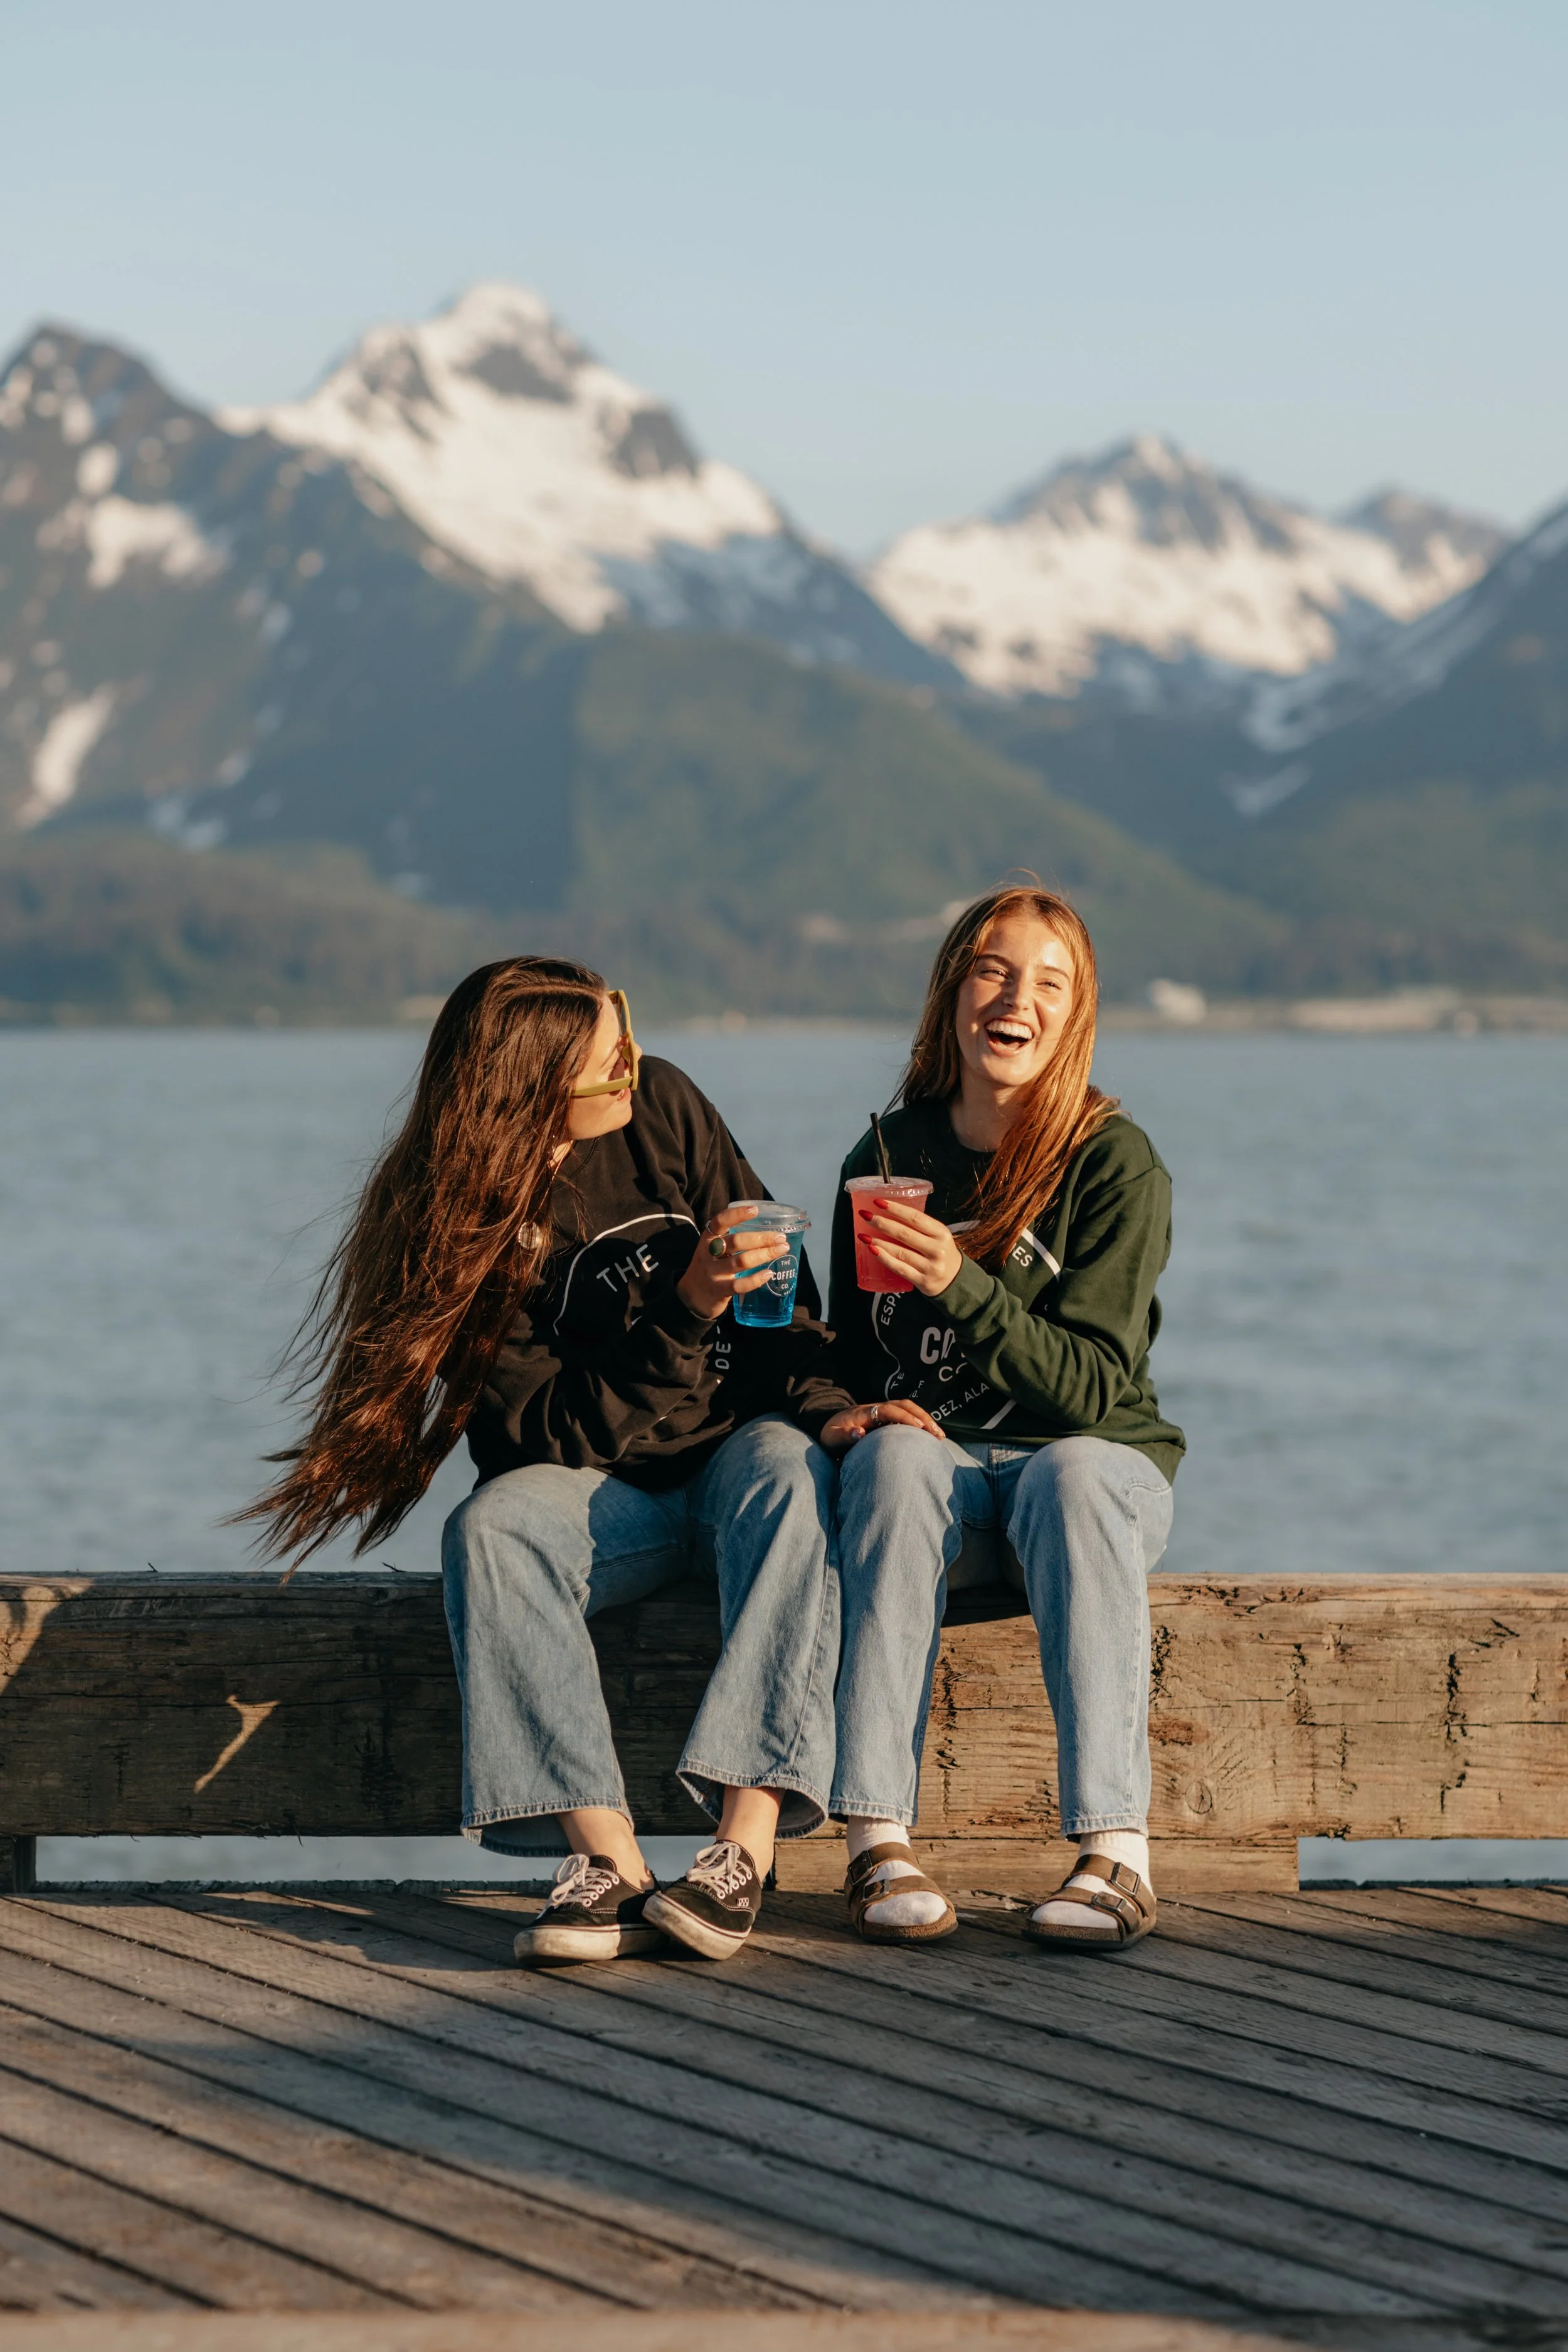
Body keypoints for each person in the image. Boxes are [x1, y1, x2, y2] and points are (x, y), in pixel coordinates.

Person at [241, 957, 852, 1966]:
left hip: (735, 1455)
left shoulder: (665, 1106)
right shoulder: (461, 1218)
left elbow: (785, 1297)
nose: (637, 1067)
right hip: (600, 1489)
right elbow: (541, 1438)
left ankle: (742, 1847)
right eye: (614, 1063)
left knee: (792, 1475)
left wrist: (827, 1404)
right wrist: (687, 1304)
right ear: (534, 1088)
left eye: (631, 1043)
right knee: (489, 1528)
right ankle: (607, 1858)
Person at [816, 884, 1184, 1950]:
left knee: (1070, 1472)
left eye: (1049, 981)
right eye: (992, 968)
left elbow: (1090, 1392)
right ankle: (875, 1841)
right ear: (952, 991)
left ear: (1077, 1015)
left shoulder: (1114, 1161)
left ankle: (1117, 1852)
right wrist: (850, 1410)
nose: (1016, 996)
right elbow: (852, 1351)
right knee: (887, 1460)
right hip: (946, 1487)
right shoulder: (885, 1153)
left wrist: (960, 1281)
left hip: (1091, 1477)